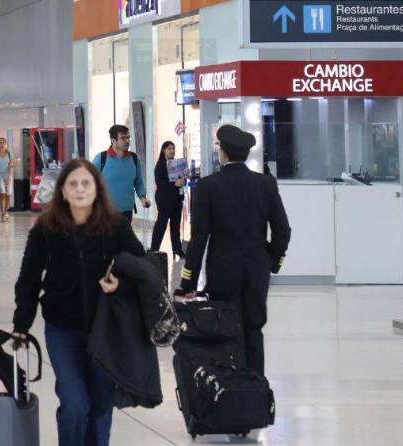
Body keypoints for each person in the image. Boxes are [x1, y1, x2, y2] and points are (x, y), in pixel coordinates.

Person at [11, 157, 145, 446]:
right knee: (74, 404)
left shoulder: (114, 227)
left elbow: (142, 264)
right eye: (74, 184)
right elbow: (28, 280)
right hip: (63, 331)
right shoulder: (45, 230)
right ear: (63, 192)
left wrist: (121, 281)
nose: (81, 189)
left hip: (105, 331)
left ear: (97, 189)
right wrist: (21, 325)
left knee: (101, 406)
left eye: (86, 183)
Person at [176, 125, 291, 376]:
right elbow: (283, 230)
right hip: (256, 271)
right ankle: (256, 392)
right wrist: (272, 260)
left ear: (223, 153)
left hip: (223, 271)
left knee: (226, 328)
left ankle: (231, 393)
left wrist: (188, 283)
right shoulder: (265, 184)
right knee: (254, 328)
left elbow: (199, 238)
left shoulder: (208, 187)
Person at [93, 124, 150, 221]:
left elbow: (138, 181)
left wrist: (143, 197)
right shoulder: (101, 159)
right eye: (123, 138)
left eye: (128, 137)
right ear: (113, 140)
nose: (127, 141)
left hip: (127, 211)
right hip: (105, 212)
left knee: (124, 236)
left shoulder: (134, 159)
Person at [151, 141, 186, 259]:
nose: (172, 151)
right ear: (163, 150)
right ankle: (154, 249)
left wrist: (183, 181)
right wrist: (174, 184)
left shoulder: (177, 164)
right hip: (164, 199)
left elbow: (182, 179)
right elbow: (160, 183)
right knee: (161, 224)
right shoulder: (161, 164)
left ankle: (177, 249)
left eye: (173, 148)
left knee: (175, 225)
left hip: (177, 199)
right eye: (169, 148)